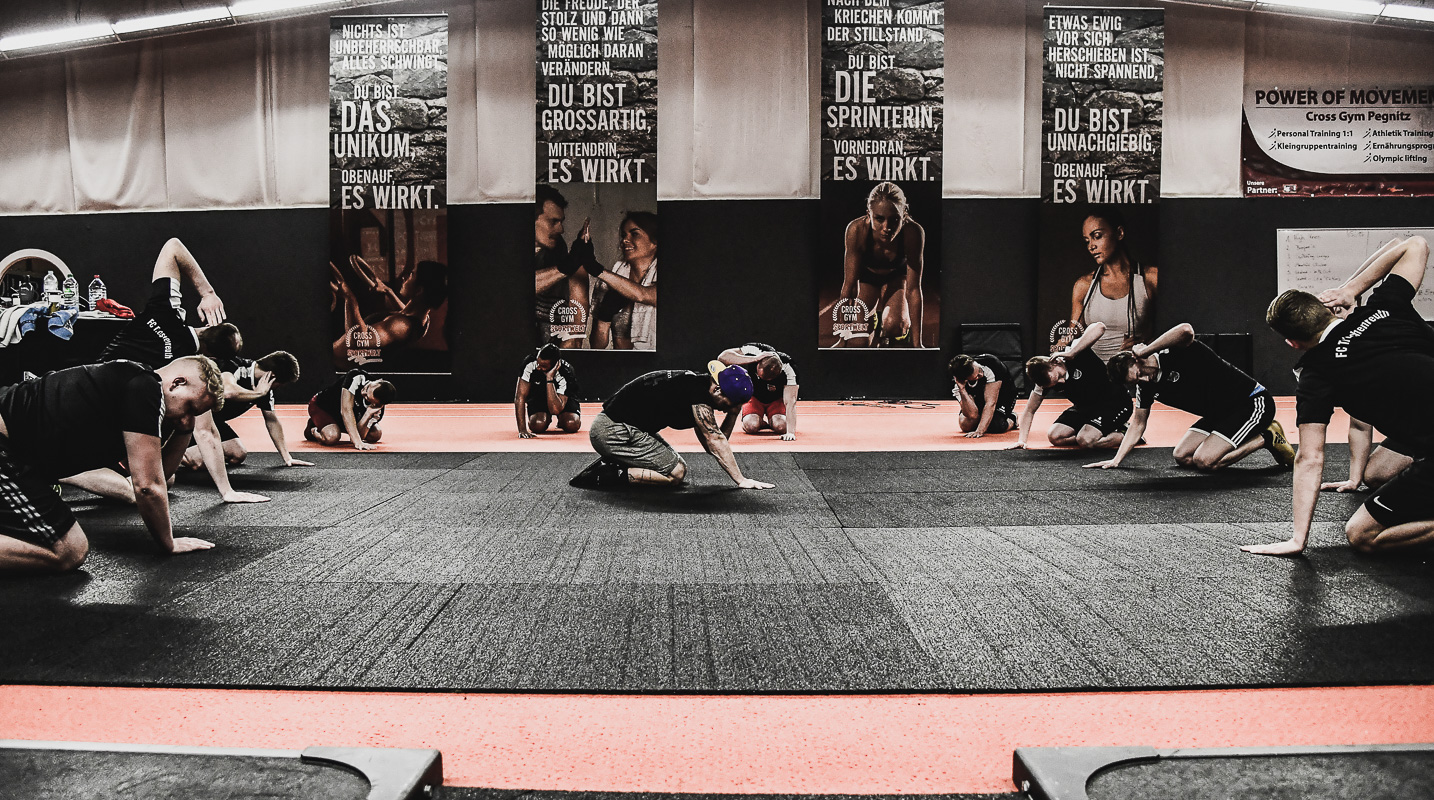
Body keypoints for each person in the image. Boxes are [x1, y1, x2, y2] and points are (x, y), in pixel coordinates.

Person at [1247, 235, 1434, 557]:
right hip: (1422, 436)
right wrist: (1352, 289)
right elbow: (1414, 243)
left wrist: (1297, 539)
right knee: (1379, 474)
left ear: (1291, 342)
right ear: (1325, 310)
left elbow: (1310, 458)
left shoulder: (1317, 373)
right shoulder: (1385, 308)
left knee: (1361, 534)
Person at [75, 237, 266, 505]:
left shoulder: (165, 310)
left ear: (206, 323)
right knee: (140, 490)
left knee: (166, 479)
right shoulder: (191, 366)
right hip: (95, 411)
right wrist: (227, 492)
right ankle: (47, 466)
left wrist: (208, 294)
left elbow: (173, 247)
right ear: (210, 357)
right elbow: (206, 432)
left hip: (93, 391)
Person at [0, 356, 223, 573]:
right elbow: (147, 487)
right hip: (6, 450)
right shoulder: (145, 388)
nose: (188, 417)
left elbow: (159, 476)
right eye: (191, 408)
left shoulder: (129, 387)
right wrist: (168, 543)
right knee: (68, 550)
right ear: (177, 383)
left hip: (17, 455)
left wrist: (184, 430)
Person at [1088, 323, 1295, 471]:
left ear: (1137, 359)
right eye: (1135, 382)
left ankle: (1266, 437)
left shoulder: (1177, 352)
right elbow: (1137, 424)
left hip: (1252, 403)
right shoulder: (1145, 386)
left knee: (1205, 462)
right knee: (1182, 456)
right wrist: (1116, 460)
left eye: (1139, 373)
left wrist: (1147, 349)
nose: (1142, 380)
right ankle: (1261, 436)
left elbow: (1185, 329)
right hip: (1221, 413)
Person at [571, 362, 774, 490]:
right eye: (729, 404)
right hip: (612, 431)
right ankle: (606, 474)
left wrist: (733, 411)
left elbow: (713, 443)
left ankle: (615, 463)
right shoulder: (698, 399)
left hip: (626, 428)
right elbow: (715, 441)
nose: (727, 409)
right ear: (719, 390)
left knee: (677, 468)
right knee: (674, 473)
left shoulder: (702, 387)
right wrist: (741, 480)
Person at [830, 182, 927, 348]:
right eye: (879, 219)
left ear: (904, 215)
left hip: (896, 279)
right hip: (867, 279)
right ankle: (872, 317)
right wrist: (842, 339)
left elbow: (913, 290)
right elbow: (849, 286)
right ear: (869, 214)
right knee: (858, 342)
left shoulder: (913, 232)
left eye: (894, 219)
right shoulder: (856, 230)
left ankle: (890, 326)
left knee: (893, 326)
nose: (886, 228)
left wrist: (918, 345)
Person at [1012, 320, 1131, 450]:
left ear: (1055, 362)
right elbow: (1029, 410)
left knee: (1085, 440)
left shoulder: (1075, 350)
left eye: (1059, 377)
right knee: (1055, 437)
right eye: (1055, 384)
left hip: (1114, 403)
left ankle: (1127, 434)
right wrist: (1022, 440)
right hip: (1087, 407)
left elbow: (1100, 327)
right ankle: (1100, 431)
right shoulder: (1043, 382)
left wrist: (1072, 353)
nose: (1062, 382)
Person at [181, 352, 312, 469]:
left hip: (214, 421)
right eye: (280, 384)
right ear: (272, 376)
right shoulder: (234, 366)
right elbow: (228, 391)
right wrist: (257, 393)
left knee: (238, 454)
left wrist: (287, 457)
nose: (277, 388)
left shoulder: (264, 388)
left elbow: (272, 420)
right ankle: (167, 454)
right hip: (189, 417)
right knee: (198, 461)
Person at [1065, 207, 1158, 361]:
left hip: (1134, 371)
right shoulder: (1083, 285)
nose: (1091, 246)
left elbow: (1170, 329)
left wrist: (1146, 346)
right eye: (1087, 241)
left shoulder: (1150, 278)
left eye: (1097, 236)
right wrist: (1059, 348)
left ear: (1119, 233)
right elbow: (1074, 333)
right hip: (1094, 374)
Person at [332, 256, 449, 364]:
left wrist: (350, 298)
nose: (405, 277)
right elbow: (405, 311)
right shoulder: (422, 319)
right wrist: (388, 292)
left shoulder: (400, 326)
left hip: (335, 363)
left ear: (419, 290)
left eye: (411, 275)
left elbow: (357, 341)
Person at [578, 212, 658, 351]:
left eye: (634, 234)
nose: (625, 240)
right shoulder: (608, 282)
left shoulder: (668, 274)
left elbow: (643, 295)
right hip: (622, 363)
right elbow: (597, 346)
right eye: (623, 235)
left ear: (655, 242)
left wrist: (597, 269)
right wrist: (604, 316)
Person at [534, 184, 591, 348]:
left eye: (561, 221)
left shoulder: (569, 262)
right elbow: (511, 289)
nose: (561, 229)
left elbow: (575, 337)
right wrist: (567, 265)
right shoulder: (504, 253)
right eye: (554, 221)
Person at [717, 342, 800, 441]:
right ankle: (761, 422)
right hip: (754, 397)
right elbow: (722, 357)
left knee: (781, 427)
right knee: (751, 426)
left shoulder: (789, 368)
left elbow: (790, 402)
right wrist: (754, 358)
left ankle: (773, 421)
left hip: (776, 400)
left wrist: (790, 433)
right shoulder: (756, 350)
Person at [305, 369, 396, 450]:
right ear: (379, 380)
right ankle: (313, 429)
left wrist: (367, 414)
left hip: (345, 417)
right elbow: (346, 410)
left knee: (376, 434)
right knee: (331, 437)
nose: (363, 392)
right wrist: (357, 442)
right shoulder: (356, 377)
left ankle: (332, 426)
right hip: (322, 407)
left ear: (375, 403)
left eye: (367, 397)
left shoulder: (377, 410)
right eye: (367, 387)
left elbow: (360, 435)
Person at [516, 343, 581, 437]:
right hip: (538, 396)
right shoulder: (529, 363)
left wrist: (549, 378)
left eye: (543, 366)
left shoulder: (566, 372)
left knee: (571, 424)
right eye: (538, 362)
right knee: (537, 425)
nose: (538, 367)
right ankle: (545, 417)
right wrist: (522, 430)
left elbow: (555, 410)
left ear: (554, 365)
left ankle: (562, 420)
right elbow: (520, 397)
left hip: (561, 400)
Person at [949, 353, 1017, 438]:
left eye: (979, 371)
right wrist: (962, 390)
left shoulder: (993, 364)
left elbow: (991, 403)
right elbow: (972, 415)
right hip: (980, 393)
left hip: (1004, 393)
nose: (980, 375)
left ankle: (1013, 418)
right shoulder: (958, 382)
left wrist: (980, 431)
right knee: (966, 425)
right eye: (976, 377)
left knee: (996, 426)